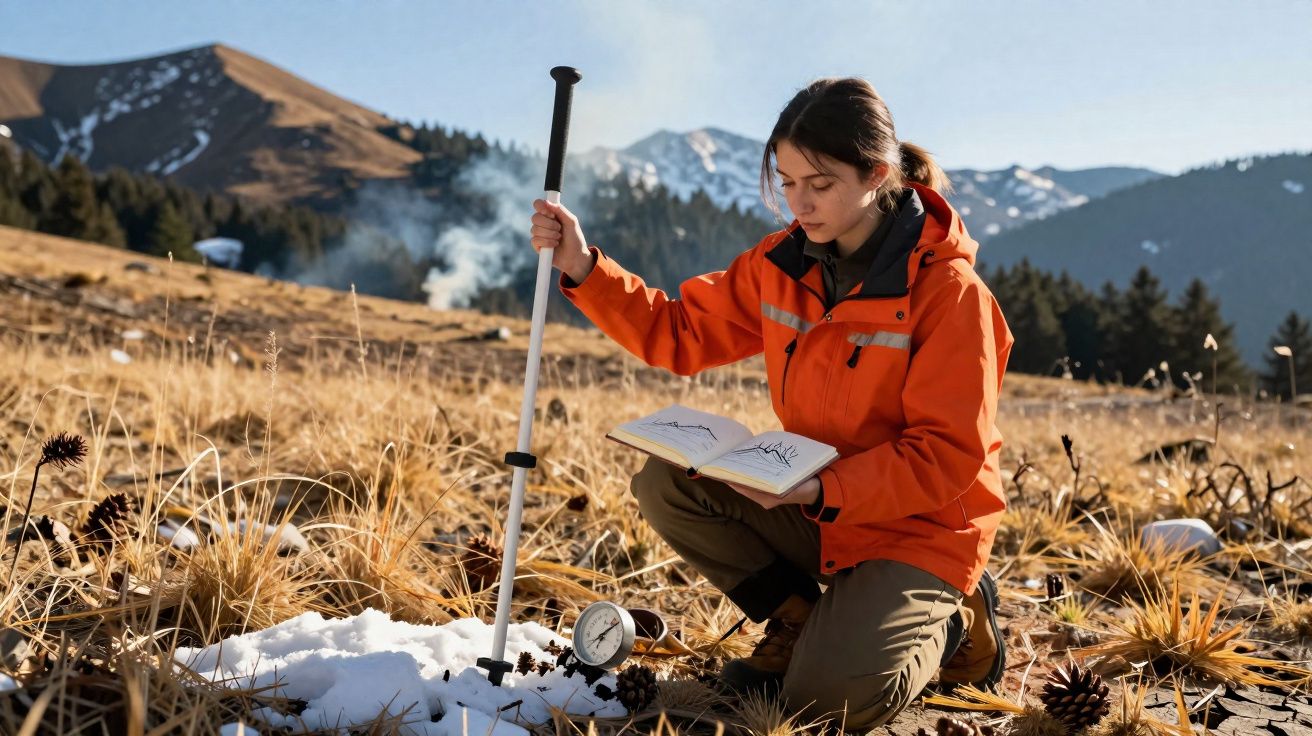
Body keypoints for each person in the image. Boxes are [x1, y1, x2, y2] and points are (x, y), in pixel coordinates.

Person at [529, 77, 1013, 731]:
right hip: (816, 505)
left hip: (919, 530)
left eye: (820, 183)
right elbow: (681, 333)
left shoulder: (951, 295)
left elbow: (945, 455)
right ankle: (800, 619)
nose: (800, 202)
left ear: (876, 174)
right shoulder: (782, 264)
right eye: (787, 182)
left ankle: (953, 621)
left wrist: (823, 488)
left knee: (824, 705)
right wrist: (584, 267)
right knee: (669, 481)